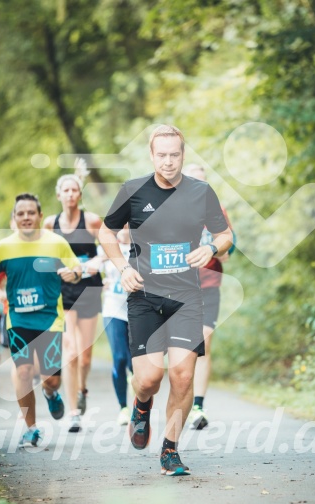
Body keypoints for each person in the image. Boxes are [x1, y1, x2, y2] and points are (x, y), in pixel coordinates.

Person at [99, 124, 233, 476]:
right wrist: (120, 267)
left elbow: (225, 234)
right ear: (152, 155)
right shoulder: (133, 190)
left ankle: (170, 449)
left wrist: (210, 247)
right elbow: (106, 231)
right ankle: (141, 407)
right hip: (144, 295)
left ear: (183, 154)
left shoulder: (201, 192)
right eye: (162, 155)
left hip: (188, 296)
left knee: (182, 375)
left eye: (175, 154)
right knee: (148, 378)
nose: (169, 161)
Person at [0, 193, 82, 447]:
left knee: (51, 378)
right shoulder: (4, 247)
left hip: (50, 319)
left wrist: (73, 275)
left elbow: (77, 269)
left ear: (39, 215)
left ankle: (51, 393)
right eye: (20, 213)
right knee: (23, 371)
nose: (26, 217)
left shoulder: (56, 243)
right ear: (15, 218)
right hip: (18, 319)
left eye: (30, 213)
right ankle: (31, 428)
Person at [44, 174, 102, 433]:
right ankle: (73, 413)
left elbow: (106, 253)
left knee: (86, 355)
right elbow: (44, 257)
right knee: (70, 352)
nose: (70, 194)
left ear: (80, 194)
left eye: (74, 190)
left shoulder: (91, 221)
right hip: (62, 291)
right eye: (65, 190)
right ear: (59, 195)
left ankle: (82, 389)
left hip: (88, 289)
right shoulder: (50, 224)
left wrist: (83, 268)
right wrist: (59, 270)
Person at [183, 164, 236, 430]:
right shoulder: (173, 209)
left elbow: (230, 242)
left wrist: (223, 250)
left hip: (209, 284)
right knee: (183, 349)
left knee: (202, 344)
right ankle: (182, 399)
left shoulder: (217, 210)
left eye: (202, 183)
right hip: (179, 286)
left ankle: (198, 407)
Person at [99, 226, 133, 426]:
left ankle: (138, 403)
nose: (125, 227)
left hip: (138, 311)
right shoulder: (105, 249)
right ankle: (123, 407)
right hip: (113, 309)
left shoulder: (142, 247)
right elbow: (91, 270)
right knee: (119, 358)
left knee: (134, 363)